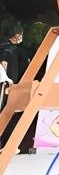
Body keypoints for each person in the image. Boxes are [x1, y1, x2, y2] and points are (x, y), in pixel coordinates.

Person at [0, 24, 34, 154]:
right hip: (10, 85)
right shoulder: (11, 50)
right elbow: (4, 65)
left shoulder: (7, 48)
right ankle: (10, 144)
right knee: (9, 114)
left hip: (9, 85)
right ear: (17, 35)